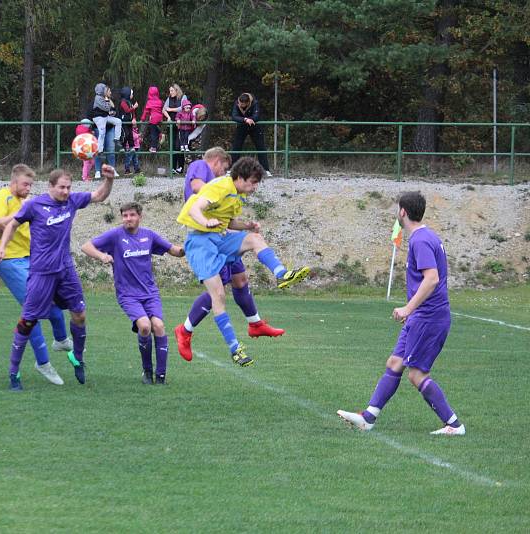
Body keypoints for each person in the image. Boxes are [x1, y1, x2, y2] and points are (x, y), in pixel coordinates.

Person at [337, 191, 465, 436]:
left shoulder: (420, 240)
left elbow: (432, 279)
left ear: (403, 212)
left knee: (416, 374)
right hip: (422, 316)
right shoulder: (425, 236)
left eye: (397, 209)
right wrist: (412, 311)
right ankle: (368, 417)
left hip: (429, 317)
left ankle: (454, 425)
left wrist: (409, 307)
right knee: (395, 363)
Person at [176, 157, 310, 366]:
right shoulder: (221, 185)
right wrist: (206, 222)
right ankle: (235, 348)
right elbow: (195, 208)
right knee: (218, 295)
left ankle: (282, 274)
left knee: (255, 240)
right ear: (240, 178)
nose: (255, 187)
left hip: (219, 237)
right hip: (201, 243)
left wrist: (247, 225)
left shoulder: (237, 195)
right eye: (254, 182)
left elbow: (229, 222)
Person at [0, 165, 116, 390]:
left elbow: (98, 195)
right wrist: (2, 247)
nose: (66, 192)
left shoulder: (72, 200)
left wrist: (109, 180)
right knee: (28, 321)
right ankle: (14, 374)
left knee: (79, 314)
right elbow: (11, 225)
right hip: (41, 272)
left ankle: (78, 359)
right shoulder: (34, 205)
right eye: (61, 187)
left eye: (69, 187)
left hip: (65, 270)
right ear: (51, 186)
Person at [0, 164, 73, 386]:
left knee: (52, 308)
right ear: (13, 182)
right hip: (9, 262)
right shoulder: (2, 198)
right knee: (31, 312)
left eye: (31, 185)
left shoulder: (30, 202)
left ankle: (61, 340)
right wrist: (20, 212)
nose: (28, 188)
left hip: (32, 262)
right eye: (25, 184)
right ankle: (43, 362)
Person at [82, 202, 184, 385]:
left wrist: (186, 249)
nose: (128, 219)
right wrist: (102, 256)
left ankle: (160, 376)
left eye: (132, 215)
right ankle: (147, 371)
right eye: (125, 216)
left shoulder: (149, 235)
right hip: (127, 294)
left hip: (150, 292)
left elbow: (173, 250)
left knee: (159, 326)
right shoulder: (115, 236)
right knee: (145, 326)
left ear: (139, 217)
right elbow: (86, 246)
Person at [230, 93, 272, 177]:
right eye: (240, 104)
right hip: (242, 125)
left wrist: (251, 120)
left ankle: (265, 170)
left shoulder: (255, 103)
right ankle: (231, 170)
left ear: (248, 102)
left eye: (243, 105)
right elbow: (234, 116)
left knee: (261, 147)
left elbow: (257, 116)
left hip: (255, 127)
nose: (241, 106)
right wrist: (245, 119)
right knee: (236, 147)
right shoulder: (237, 103)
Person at [91, 83, 123, 155]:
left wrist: (111, 112)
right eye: (107, 90)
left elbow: (108, 109)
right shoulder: (98, 98)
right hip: (99, 118)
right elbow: (106, 108)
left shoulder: (103, 98)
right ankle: (100, 151)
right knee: (102, 133)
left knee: (118, 121)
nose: (109, 92)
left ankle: (117, 139)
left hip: (104, 116)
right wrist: (108, 101)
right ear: (102, 90)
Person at [118, 87, 141, 175]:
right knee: (126, 135)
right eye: (131, 94)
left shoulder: (129, 102)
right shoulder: (123, 102)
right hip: (124, 123)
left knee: (130, 135)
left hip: (129, 123)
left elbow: (132, 113)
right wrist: (134, 107)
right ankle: (123, 147)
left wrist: (134, 118)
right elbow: (127, 110)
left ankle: (131, 147)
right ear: (127, 94)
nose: (132, 95)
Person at [174, 98, 196, 174]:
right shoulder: (181, 113)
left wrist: (193, 121)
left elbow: (193, 117)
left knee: (186, 137)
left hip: (188, 128)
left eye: (189, 108)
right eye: (187, 108)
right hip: (182, 128)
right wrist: (178, 120)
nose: (188, 109)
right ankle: (182, 146)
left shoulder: (190, 113)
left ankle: (185, 146)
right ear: (183, 107)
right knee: (182, 137)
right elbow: (177, 117)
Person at [140, 86, 164, 153]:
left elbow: (146, 112)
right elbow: (162, 110)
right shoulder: (160, 101)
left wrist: (142, 118)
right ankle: (160, 134)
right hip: (160, 118)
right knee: (156, 130)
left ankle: (153, 148)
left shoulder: (149, 102)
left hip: (153, 118)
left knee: (153, 134)